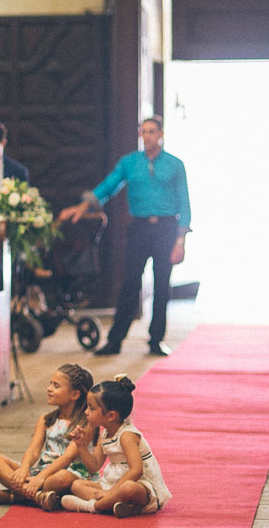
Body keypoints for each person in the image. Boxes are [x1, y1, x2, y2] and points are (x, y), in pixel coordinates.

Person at [60, 116, 190, 357]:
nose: (147, 136)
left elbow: (185, 202)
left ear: (160, 134)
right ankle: (115, 340)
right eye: (143, 131)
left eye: (152, 131)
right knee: (130, 283)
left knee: (162, 286)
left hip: (166, 229)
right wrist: (83, 207)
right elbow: (108, 186)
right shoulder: (129, 163)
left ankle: (156, 340)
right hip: (139, 229)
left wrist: (180, 240)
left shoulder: (175, 164)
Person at [59, 376, 171, 518]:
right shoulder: (105, 433)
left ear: (111, 415)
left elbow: (136, 470)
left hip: (141, 485)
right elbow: (94, 466)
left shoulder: (126, 435)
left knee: (128, 488)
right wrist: (81, 446)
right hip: (113, 483)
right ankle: (121, 506)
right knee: (76, 485)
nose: (86, 412)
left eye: (91, 408)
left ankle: (93, 506)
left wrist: (112, 492)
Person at [0, 364, 94, 508]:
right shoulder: (45, 420)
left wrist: (41, 478)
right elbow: (34, 450)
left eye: (56, 386)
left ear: (74, 394)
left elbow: (68, 457)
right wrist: (24, 468)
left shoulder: (85, 423)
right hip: (42, 470)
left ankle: (14, 495)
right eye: (50, 384)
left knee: (60, 478)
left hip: (68, 472)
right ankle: (38, 497)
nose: (49, 389)